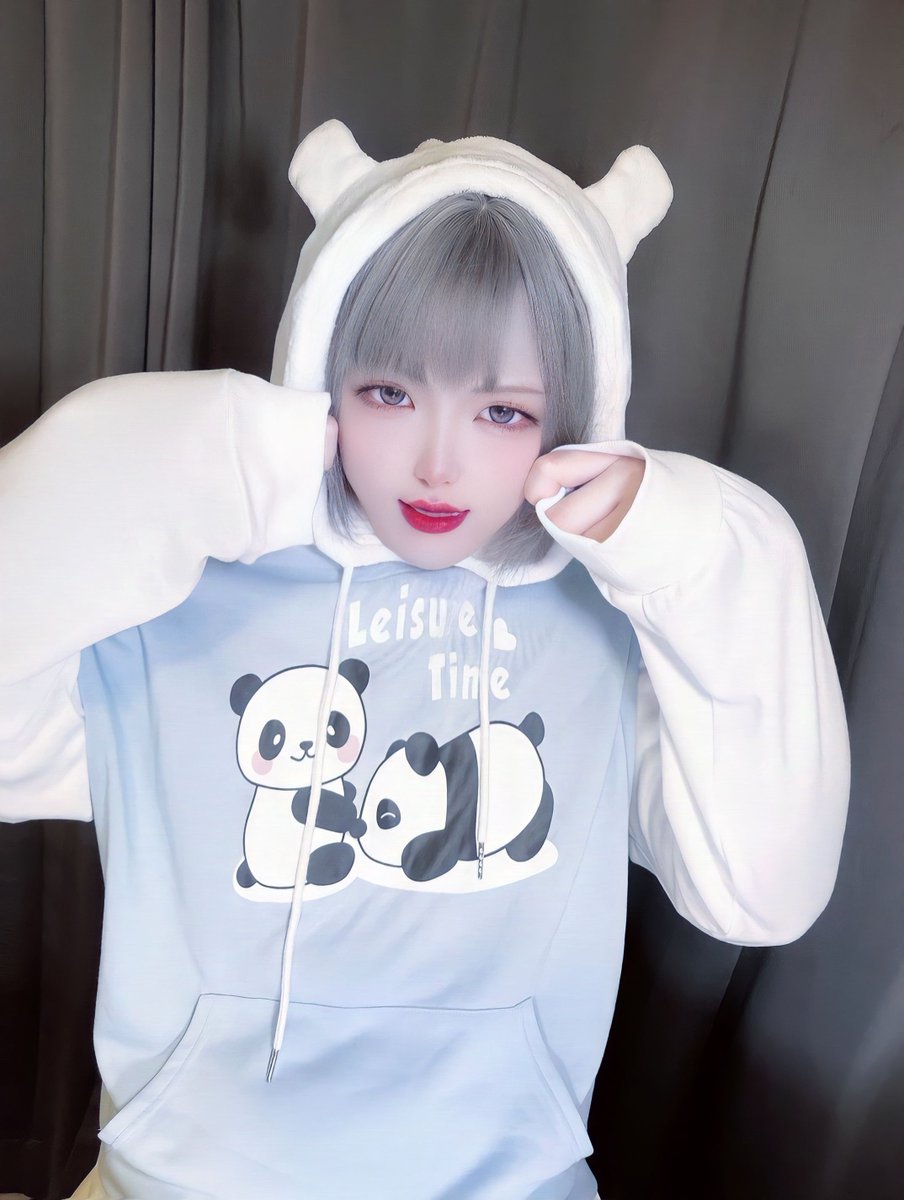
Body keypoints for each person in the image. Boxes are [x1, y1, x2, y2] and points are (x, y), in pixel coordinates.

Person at [0, 121, 849, 1200]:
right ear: (321, 372)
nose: (438, 464)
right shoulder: (181, 593)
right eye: (390, 394)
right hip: (181, 1178)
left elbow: (763, 895)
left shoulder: (608, 627)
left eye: (502, 411)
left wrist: (702, 550)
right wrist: (205, 451)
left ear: (574, 416)